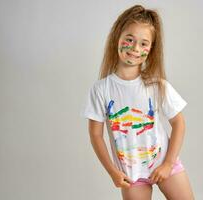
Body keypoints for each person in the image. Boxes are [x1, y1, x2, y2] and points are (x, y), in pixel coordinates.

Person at [81, 4, 195, 200]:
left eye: (144, 44)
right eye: (130, 40)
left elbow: (179, 123)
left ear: (151, 49)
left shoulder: (157, 85)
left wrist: (168, 164)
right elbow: (96, 135)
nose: (135, 48)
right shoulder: (101, 89)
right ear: (117, 37)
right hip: (131, 175)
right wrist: (112, 171)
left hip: (164, 163)